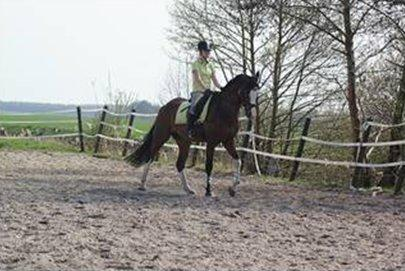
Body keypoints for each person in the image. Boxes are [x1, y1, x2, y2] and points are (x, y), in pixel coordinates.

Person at [187, 41, 222, 136]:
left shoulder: (211, 65)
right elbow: (197, 79)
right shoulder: (195, 64)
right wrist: (206, 88)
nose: (208, 53)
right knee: (194, 108)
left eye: (208, 51)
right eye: (206, 51)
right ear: (200, 52)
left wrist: (222, 87)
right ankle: (190, 129)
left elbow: (215, 80)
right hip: (198, 91)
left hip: (209, 92)